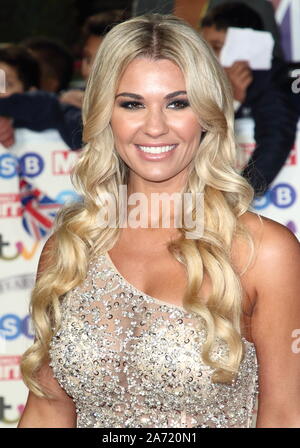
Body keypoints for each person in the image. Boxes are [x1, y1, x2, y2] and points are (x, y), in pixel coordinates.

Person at [17, 14, 300, 428]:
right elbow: (48, 410)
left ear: (206, 113)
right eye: (132, 103)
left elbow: (285, 416)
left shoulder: (263, 252)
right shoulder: (70, 249)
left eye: (177, 103)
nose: (154, 127)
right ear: (103, 113)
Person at [200, 2, 298, 197]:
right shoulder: (202, 82)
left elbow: (275, 139)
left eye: (217, 47)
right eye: (205, 48)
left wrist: (238, 196)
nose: (208, 58)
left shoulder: (275, 79)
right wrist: (232, 101)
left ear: (247, 45)